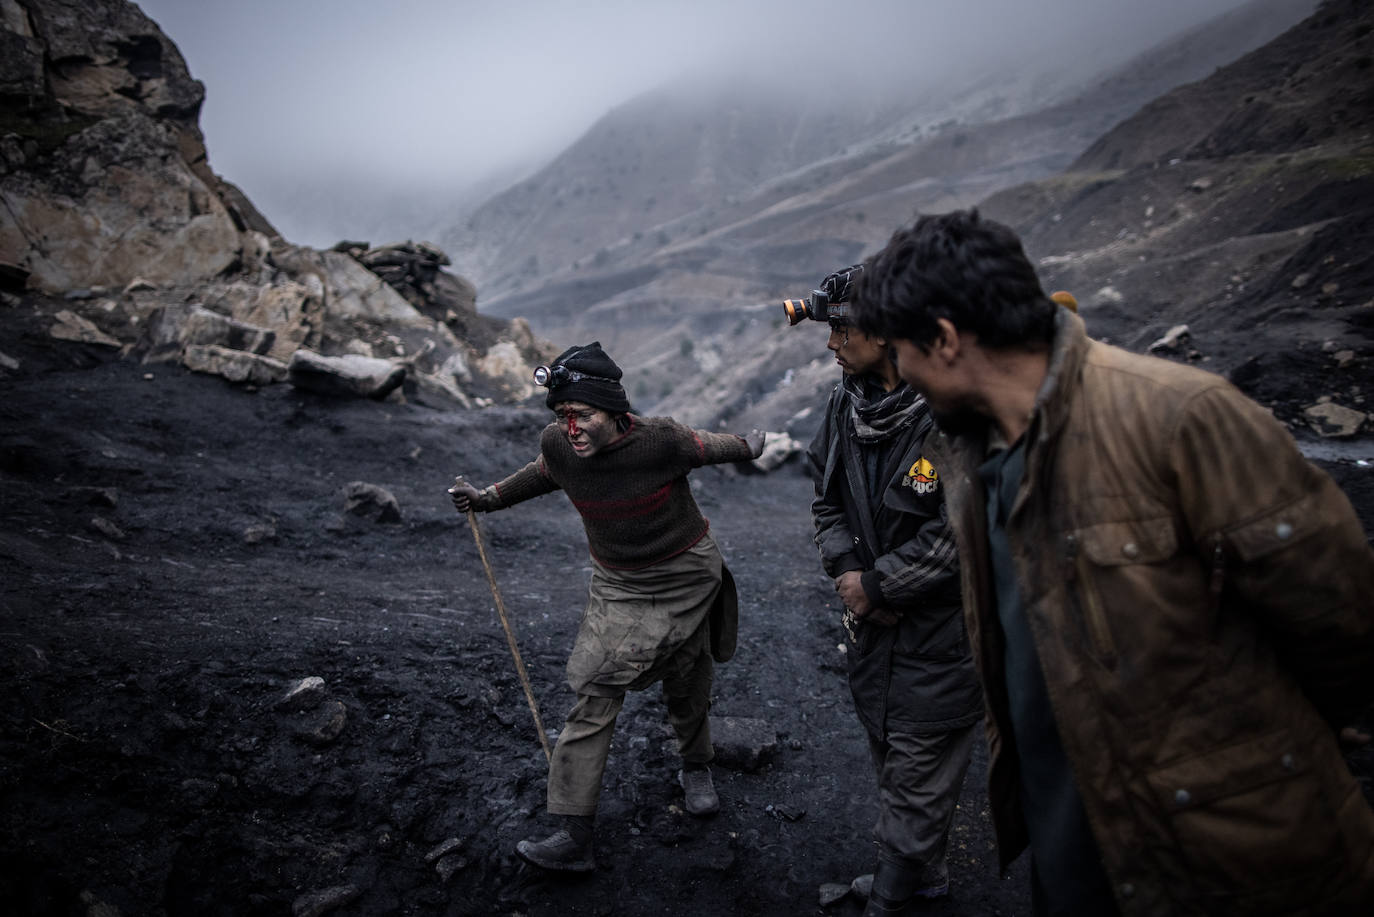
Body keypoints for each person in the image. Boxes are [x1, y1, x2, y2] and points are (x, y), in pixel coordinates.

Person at [849, 208, 1374, 916]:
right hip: (1079, 855)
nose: (901, 375)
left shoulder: (1181, 418)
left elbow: (1341, 625)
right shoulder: (972, 457)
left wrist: (1243, 767)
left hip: (1228, 866)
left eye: (903, 353)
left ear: (943, 340)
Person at [448, 341, 765, 873]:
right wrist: (485, 498)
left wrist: (750, 446)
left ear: (615, 413)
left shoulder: (660, 440)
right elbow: (542, 473)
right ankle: (573, 833)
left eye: (583, 415)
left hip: (685, 573)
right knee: (594, 686)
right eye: (562, 415)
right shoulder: (560, 446)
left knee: (687, 676)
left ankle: (696, 766)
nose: (571, 428)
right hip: (617, 583)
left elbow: (715, 444)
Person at [799, 265, 982, 915]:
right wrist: (848, 569)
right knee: (890, 753)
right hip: (875, 635)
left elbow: (962, 532)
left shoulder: (953, 412)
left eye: (842, 329)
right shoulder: (845, 404)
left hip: (944, 636)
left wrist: (881, 583)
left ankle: (895, 895)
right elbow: (825, 496)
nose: (832, 343)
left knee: (916, 775)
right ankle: (924, 876)